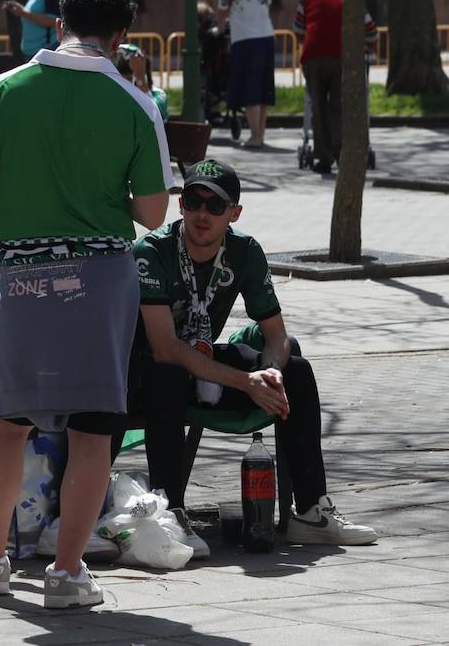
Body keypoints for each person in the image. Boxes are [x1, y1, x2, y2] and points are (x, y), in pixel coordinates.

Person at [0, 0, 172, 609]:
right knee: (94, 431)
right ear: (123, 36)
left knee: (6, 422)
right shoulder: (135, 102)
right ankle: (67, 573)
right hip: (102, 279)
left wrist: (14, 212)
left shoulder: (2, 91)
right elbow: (155, 214)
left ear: (58, 25)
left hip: (22, 275)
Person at [131, 159, 378, 547]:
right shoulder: (152, 251)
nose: (201, 214)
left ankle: (311, 511)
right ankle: (171, 515)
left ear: (234, 212)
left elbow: (276, 335)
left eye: (215, 206)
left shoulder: (245, 251)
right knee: (169, 374)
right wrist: (245, 382)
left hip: (203, 365)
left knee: (295, 367)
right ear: (180, 205)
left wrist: (271, 374)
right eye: (193, 201)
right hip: (143, 374)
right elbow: (164, 348)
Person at [293, 0, 377, 174]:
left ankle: (323, 157)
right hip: (345, 58)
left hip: (314, 57)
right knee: (340, 106)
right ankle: (342, 153)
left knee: (318, 107)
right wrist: (365, 45)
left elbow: (298, 28)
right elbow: (371, 30)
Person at [216, 0, 276, 148]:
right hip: (267, 35)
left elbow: (223, 10)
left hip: (244, 39)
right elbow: (267, 3)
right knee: (263, 88)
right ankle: (261, 135)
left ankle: (254, 137)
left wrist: (221, 28)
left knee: (250, 88)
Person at [116, 44, 169, 121]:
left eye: (130, 78)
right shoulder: (116, 94)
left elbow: (154, 114)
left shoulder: (159, 94)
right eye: (123, 77)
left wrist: (140, 78)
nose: (127, 83)